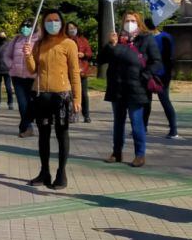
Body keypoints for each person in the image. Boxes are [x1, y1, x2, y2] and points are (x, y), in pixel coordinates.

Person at [24, 10, 82, 190]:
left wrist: (77, 97)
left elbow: (74, 72)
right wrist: (27, 55)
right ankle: (45, 172)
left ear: (62, 22)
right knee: (43, 135)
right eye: (49, 20)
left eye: (56, 20)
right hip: (41, 94)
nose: (53, 23)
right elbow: (33, 70)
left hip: (62, 95)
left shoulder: (69, 44)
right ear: (43, 23)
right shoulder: (39, 44)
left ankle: (61, 172)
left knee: (61, 134)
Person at [99, 11, 160, 167]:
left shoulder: (146, 39)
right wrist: (110, 45)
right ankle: (116, 152)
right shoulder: (117, 39)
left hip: (136, 88)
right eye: (127, 20)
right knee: (118, 123)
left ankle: (140, 154)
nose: (129, 23)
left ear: (138, 23)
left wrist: (144, 76)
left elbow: (156, 62)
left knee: (136, 122)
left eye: (133, 20)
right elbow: (102, 59)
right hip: (117, 87)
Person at [143, 18, 179, 138]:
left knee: (151, 102)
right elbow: (172, 57)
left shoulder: (150, 38)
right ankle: (173, 130)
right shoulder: (166, 36)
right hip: (159, 74)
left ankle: (144, 127)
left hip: (156, 74)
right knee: (161, 101)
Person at [4, 20, 38, 137]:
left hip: (33, 77)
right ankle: (27, 127)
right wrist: (11, 65)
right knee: (22, 103)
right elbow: (6, 55)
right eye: (23, 25)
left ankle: (24, 125)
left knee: (32, 103)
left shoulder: (38, 40)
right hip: (17, 76)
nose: (25, 28)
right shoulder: (16, 40)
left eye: (28, 26)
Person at [65, 22, 94, 123]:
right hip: (68, 71)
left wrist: (84, 54)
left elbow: (90, 54)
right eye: (69, 28)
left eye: (73, 28)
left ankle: (86, 115)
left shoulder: (83, 40)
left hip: (82, 71)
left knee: (83, 94)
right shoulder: (65, 40)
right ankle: (71, 114)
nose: (72, 30)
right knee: (69, 94)